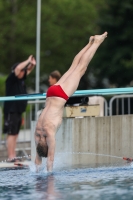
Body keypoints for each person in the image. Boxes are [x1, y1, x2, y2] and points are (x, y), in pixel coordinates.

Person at [34, 32, 108, 172]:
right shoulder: (37, 135)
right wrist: (37, 170)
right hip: (51, 93)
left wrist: (47, 176)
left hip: (60, 95)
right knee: (73, 66)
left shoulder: (49, 134)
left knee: (81, 69)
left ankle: (97, 42)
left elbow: (49, 162)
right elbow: (37, 159)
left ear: (47, 145)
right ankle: (90, 42)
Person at [3, 55, 36, 162]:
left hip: (18, 111)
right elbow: (18, 69)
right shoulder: (11, 79)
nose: (23, 72)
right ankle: (10, 156)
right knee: (11, 134)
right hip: (11, 111)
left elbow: (27, 71)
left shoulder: (20, 80)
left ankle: (13, 155)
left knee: (16, 134)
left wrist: (32, 65)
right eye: (22, 70)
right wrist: (27, 60)